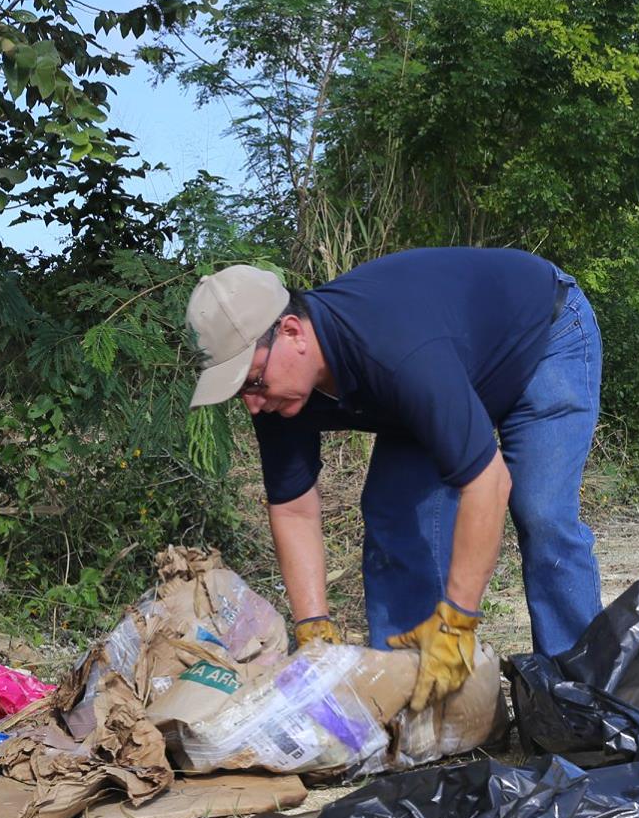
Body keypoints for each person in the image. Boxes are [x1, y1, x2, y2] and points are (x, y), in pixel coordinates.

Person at [186, 247, 604, 710]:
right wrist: (313, 630)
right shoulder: (277, 393)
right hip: (449, 370)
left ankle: (581, 697)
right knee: (395, 513)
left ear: (291, 333)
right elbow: (293, 507)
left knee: (542, 512)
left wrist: (457, 622)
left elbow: (488, 484)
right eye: (241, 390)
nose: (252, 403)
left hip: (543, 334)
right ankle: (417, 704)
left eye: (253, 381)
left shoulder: (392, 349)